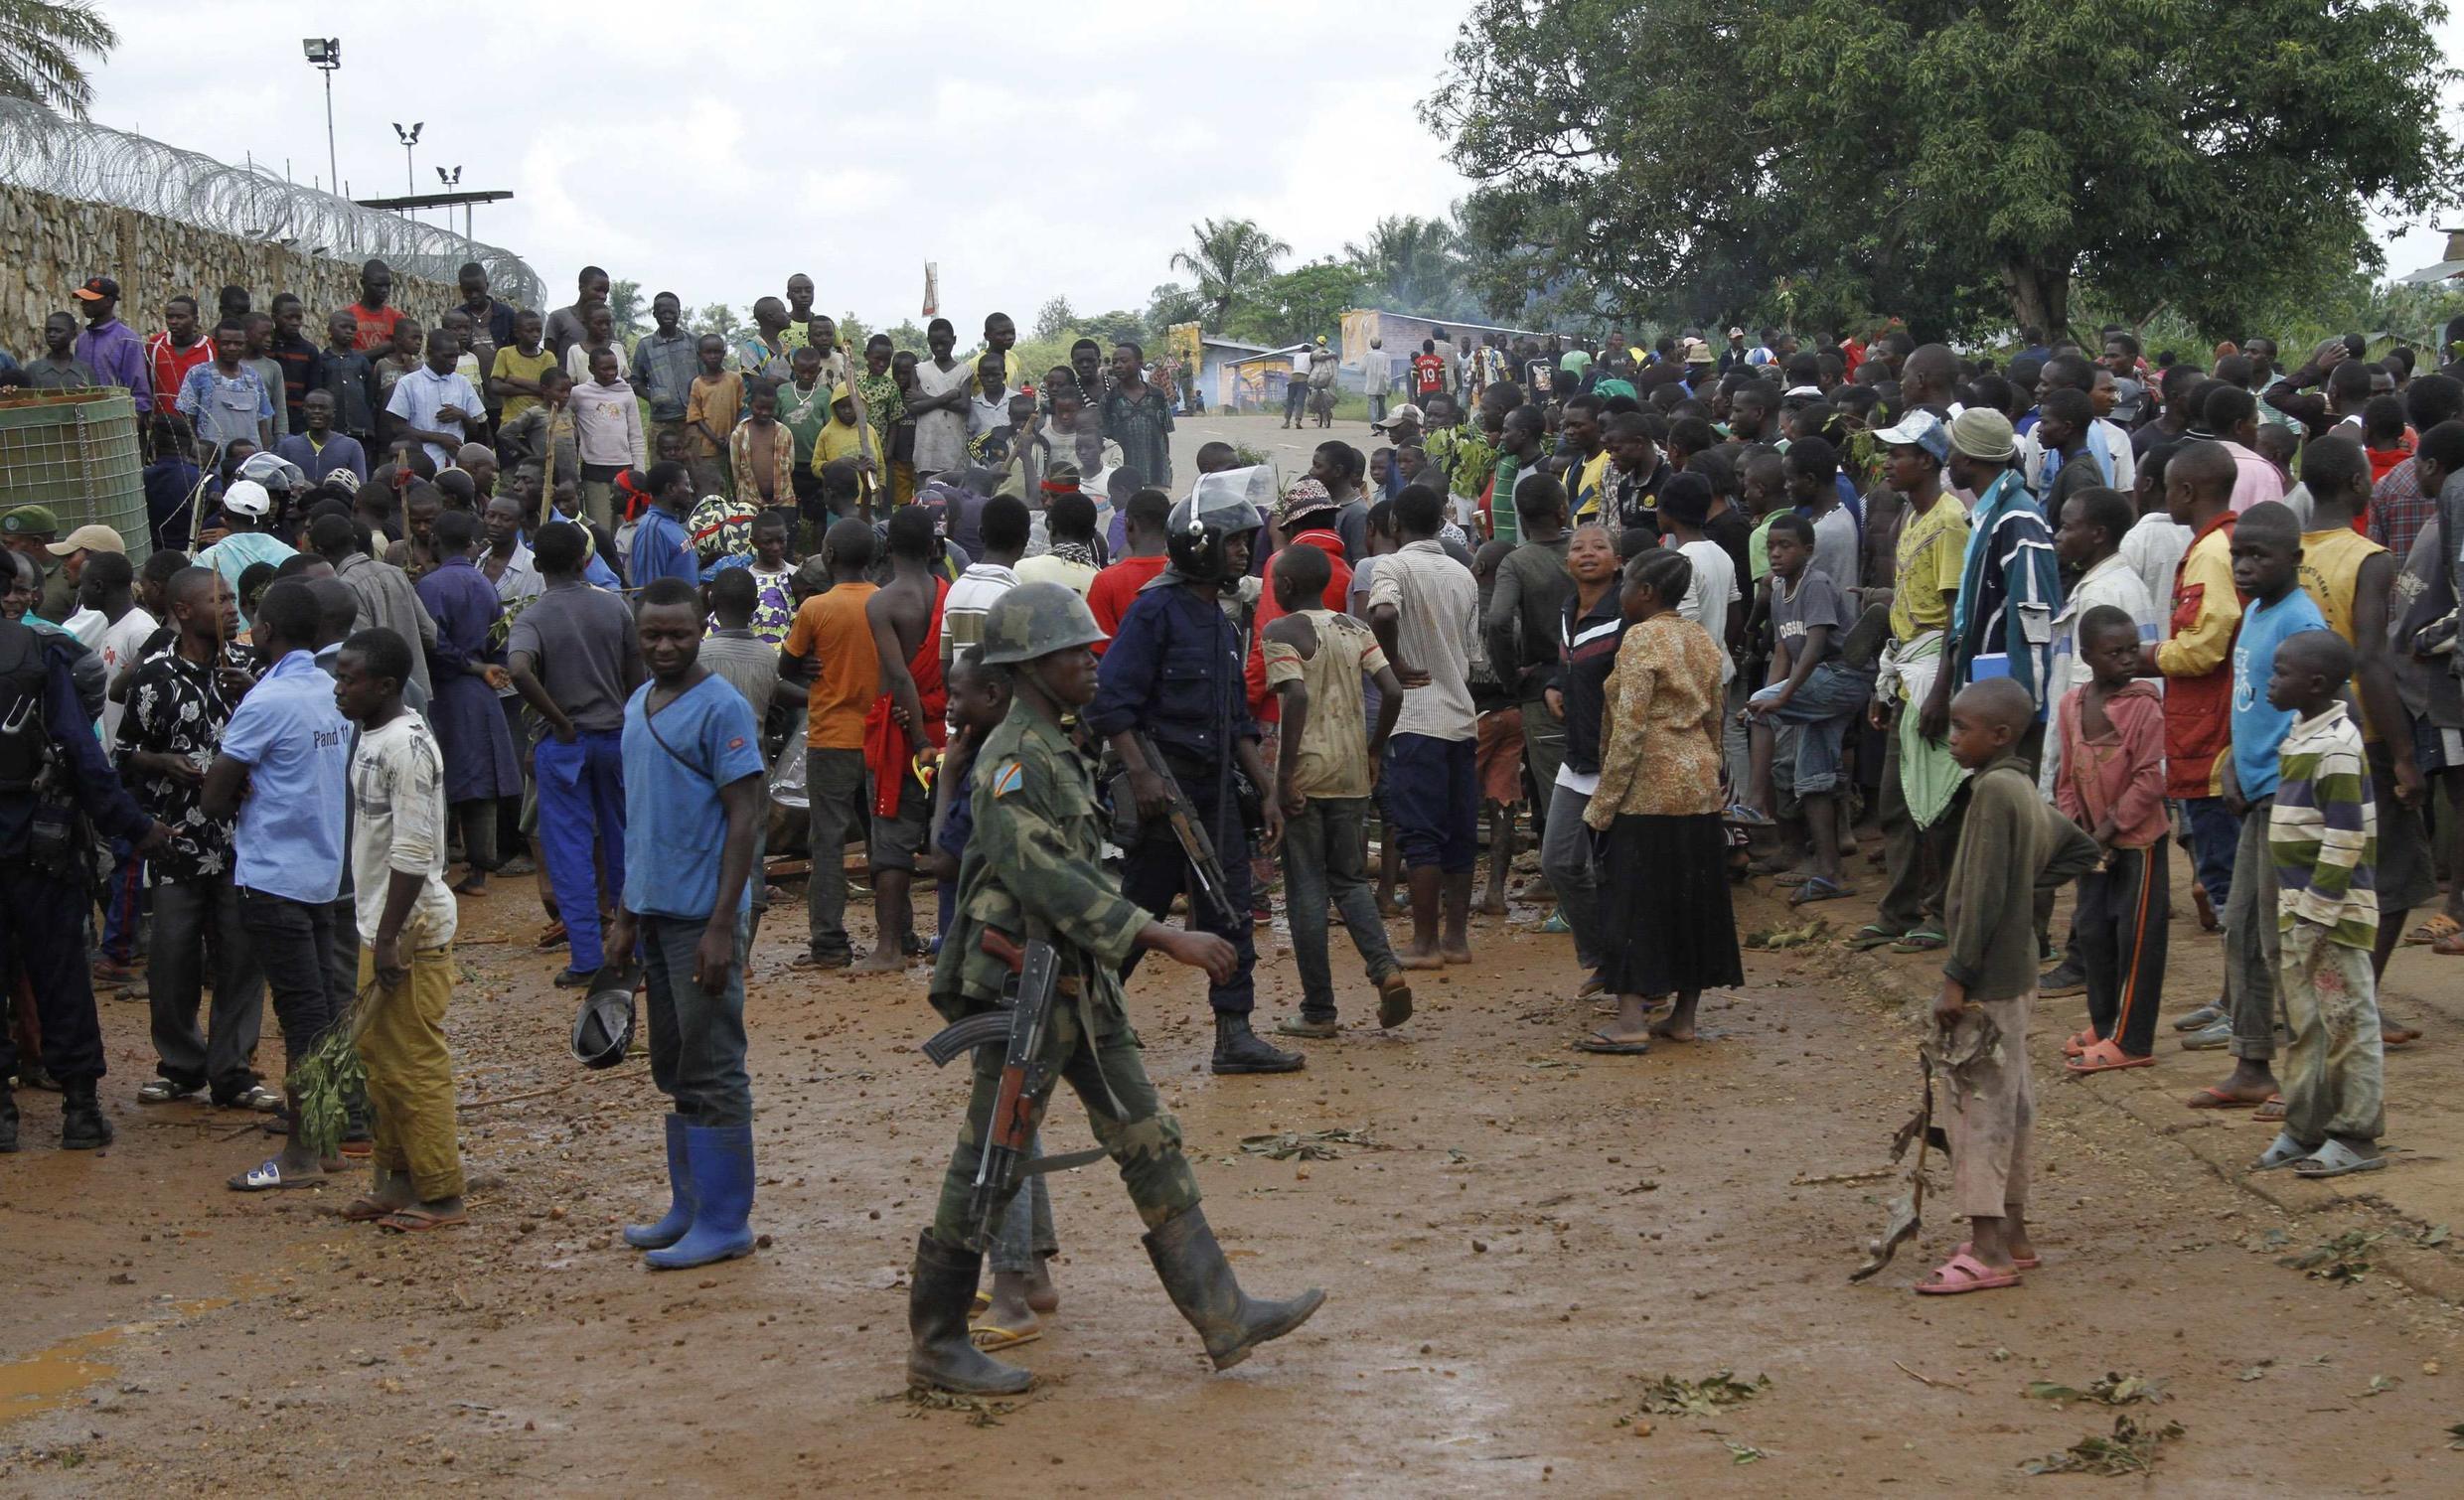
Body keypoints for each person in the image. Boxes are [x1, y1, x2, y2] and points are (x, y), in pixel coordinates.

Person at [903, 580, 1322, 1396]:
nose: (1092, 663)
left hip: (1075, 984)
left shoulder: (1058, 744)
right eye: (1073, 653)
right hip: (1021, 991)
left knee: (1147, 1135)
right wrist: (1164, 935)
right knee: (989, 1159)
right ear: (1029, 665)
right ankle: (937, 1340)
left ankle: (1223, 1311)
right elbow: (1045, 876)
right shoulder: (1015, 757)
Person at [1091, 474, 1299, 1074]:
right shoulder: (1155, 609)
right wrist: (1143, 777)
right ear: (1199, 544)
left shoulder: (1219, 619)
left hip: (1217, 798)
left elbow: (1237, 723)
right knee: (1137, 914)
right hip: (1165, 796)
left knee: (1231, 912)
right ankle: (1085, 1021)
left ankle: (1234, 1035)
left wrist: (1267, 793)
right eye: (1234, 542)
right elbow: (1113, 703)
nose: (1243, 552)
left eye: (1245, 542)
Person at [1913, 677, 2100, 1293]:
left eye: (1962, 728)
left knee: (1980, 1109)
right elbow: (2080, 849)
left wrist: (1955, 978)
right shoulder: (2018, 786)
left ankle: (1988, 1249)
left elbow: (1986, 894)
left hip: (1988, 979)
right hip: (2016, 972)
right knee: (2013, 1101)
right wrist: (2027, 889)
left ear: (2001, 735)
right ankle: (2014, 1235)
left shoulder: (1994, 792)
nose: (1951, 737)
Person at [604, 577, 768, 1269]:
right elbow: (640, 819)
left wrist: (723, 925)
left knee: (713, 1063)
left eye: (678, 633)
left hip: (704, 915)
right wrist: (624, 915)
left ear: (702, 625)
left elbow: (747, 814)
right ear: (636, 636)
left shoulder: (722, 708)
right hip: (655, 911)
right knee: (674, 1063)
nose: (665, 646)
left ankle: (725, 1221)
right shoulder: (639, 702)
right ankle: (690, 1206)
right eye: (652, 635)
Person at [0, 604, 169, 1150]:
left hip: (32, 845)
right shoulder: (38, 652)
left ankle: (3, 1120)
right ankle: (80, 1111)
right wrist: (134, 826)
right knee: (62, 974)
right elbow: (81, 751)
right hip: (41, 847)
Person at [202, 580, 353, 1187]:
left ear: (267, 633)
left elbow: (214, 798)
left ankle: (299, 1155)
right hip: (323, 871)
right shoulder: (333, 690)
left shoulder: (267, 701)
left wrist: (232, 781)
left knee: (301, 1018)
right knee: (323, 1011)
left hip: (273, 878)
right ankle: (331, 1140)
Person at [326, 626, 467, 1231]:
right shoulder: (369, 735)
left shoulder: (407, 747)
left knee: (412, 1061)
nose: (338, 689)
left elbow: (413, 849)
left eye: (347, 679)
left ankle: (441, 1194)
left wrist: (387, 938)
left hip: (409, 930)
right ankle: (395, 1179)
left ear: (384, 685)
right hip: (378, 921)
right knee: (376, 1058)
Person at [118, 566, 272, 1111]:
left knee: (240, 956)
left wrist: (253, 693)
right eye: (219, 600)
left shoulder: (256, 667)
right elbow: (123, 753)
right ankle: (180, 1066)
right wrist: (161, 761)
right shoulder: (154, 675)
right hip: (176, 840)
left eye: (233, 599)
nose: (232, 609)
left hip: (247, 839)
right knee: (173, 959)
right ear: (183, 611)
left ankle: (233, 1070)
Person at [2190, 502, 2327, 1110]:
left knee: (2284, 938)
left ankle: (2307, 1069)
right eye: (2237, 555)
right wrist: (2235, 767)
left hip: (2288, 799)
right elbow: (2248, 701)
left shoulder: (2301, 621)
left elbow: (2322, 706)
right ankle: (2252, 1060)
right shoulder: (2255, 614)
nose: (2242, 567)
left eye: (2257, 557)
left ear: (2294, 560)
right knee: (2243, 925)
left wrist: (2283, 780)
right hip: (2253, 793)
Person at [1579, 546, 1742, 1053]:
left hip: (1647, 787)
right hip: (1697, 784)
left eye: (1625, 585)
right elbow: (1716, 713)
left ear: (1645, 593)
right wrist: (1711, 773)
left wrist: (1602, 803)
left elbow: (1629, 728)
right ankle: (1684, 1018)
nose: (1619, 592)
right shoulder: (1701, 640)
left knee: (1634, 901)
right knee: (1693, 900)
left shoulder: (1641, 640)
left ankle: (1630, 1021)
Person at [1260, 543, 1411, 1037]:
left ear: (1282, 586)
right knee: (1348, 880)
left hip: (1306, 771)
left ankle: (1319, 1010)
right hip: (1351, 769)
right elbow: (1391, 690)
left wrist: (1283, 778)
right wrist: (1374, 749)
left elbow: (1296, 694)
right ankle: (1385, 969)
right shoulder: (1356, 628)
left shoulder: (1280, 632)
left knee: (1305, 886)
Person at [2252, 630, 2387, 1178]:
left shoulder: (2335, 746)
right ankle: (2304, 1129)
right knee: (2307, 1025)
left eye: (2280, 672)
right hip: (2300, 911)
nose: (2270, 680)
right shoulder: (2302, 732)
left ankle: (2357, 1136)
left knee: (2347, 1023)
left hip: (2332, 918)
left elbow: (2345, 837)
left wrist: (2318, 910)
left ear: (2315, 683)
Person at [1852, 410, 1968, 954]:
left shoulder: (1948, 521)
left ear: (1926, 460)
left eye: (1897, 454)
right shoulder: (1910, 518)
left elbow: (1952, 618)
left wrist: (1941, 690)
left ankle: (1938, 911)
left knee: (1934, 801)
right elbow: (1904, 607)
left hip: (1931, 676)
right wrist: (1885, 684)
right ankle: (1898, 908)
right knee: (1897, 802)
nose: (1887, 464)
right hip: (1906, 672)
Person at [507, 523, 642, 985]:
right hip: (615, 737)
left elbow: (518, 669)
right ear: (585, 560)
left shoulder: (533, 617)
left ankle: (587, 959)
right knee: (622, 845)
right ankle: (634, 952)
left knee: (571, 852)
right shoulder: (615, 607)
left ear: (538, 565)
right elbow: (635, 675)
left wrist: (559, 720)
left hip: (564, 747)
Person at [2047, 606, 2171, 1074]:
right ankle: (2103, 1024)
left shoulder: (2144, 705)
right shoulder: (2072, 705)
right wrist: (2076, 829)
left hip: (2137, 842)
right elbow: (2066, 776)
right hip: (2093, 847)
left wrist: (2105, 830)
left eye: (2130, 650)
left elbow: (2150, 780)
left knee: (2137, 938)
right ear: (2087, 656)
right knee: (2094, 932)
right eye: (2113, 652)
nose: (2126, 660)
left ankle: (2134, 1039)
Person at [1367, 484, 1482, 970]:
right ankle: (1455, 939)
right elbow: (1474, 657)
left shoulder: (1390, 566)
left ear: (1394, 524)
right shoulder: (1463, 574)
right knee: (1459, 832)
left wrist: (1390, 661)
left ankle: (1423, 943)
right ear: (1441, 522)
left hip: (1415, 719)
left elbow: (1384, 611)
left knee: (1420, 834)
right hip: (1461, 717)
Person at [2144, 442, 2245, 976]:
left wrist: (2149, 655)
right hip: (2204, 730)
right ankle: (2235, 996)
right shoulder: (2220, 544)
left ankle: (2244, 1003)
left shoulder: (2211, 552)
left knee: (2225, 877)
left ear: (2185, 491)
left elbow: (2205, 645)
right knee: (2224, 873)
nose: (2163, 497)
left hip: (2209, 738)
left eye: (2167, 488)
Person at [1739, 512, 1873, 901]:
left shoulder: (1815, 584)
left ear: (1808, 550)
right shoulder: (1779, 590)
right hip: (1818, 682)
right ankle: (1831, 874)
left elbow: (1813, 648)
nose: (1776, 554)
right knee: (1813, 777)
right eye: (1771, 547)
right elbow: (1783, 650)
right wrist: (1768, 695)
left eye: (1786, 546)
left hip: (1844, 676)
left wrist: (1778, 698)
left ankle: (1755, 802)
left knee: (1764, 707)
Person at [779, 519, 880, 969]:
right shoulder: (885, 603)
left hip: (831, 738)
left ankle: (829, 943)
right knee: (885, 838)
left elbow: (787, 666)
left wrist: (811, 668)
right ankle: (898, 933)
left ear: (831, 557)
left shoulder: (815, 609)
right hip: (879, 739)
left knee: (828, 842)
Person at [854, 509, 949, 973]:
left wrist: (915, 740)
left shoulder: (883, 603)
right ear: (934, 547)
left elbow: (898, 675)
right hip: (947, 730)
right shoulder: (949, 595)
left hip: (903, 735)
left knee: (891, 838)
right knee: (951, 832)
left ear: (887, 548)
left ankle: (890, 948)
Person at [414, 510, 522, 895]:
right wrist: (489, 667)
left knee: (441, 780)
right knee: (481, 780)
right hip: (481, 688)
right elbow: (499, 639)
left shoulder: (431, 586)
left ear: (436, 543)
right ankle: (478, 869)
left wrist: (471, 666)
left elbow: (433, 642)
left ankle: (440, 869)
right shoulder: (483, 583)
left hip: (448, 689)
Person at [1487, 472, 1574, 857]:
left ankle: (1560, 877)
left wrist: (1510, 677)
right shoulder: (1591, 551)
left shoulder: (1517, 562)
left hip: (1540, 684)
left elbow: (1498, 620)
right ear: (1563, 510)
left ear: (1520, 517)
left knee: (1551, 785)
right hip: (1592, 680)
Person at [572, 347, 646, 532]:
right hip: (594, 471)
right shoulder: (579, 394)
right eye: (605, 369)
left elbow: (635, 435)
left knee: (627, 526)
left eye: (614, 368)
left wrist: (639, 471)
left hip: (624, 469)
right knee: (601, 528)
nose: (611, 373)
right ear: (591, 369)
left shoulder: (626, 393)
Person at [176, 318, 275, 456]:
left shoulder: (253, 377)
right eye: (226, 343)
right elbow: (188, 420)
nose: (232, 348)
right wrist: (194, 456)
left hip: (248, 460)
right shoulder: (198, 374)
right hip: (210, 459)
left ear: (245, 344)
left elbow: (262, 424)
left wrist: (265, 456)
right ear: (215, 343)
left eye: (238, 344)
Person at [70, 275, 150, 410]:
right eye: (83, 299)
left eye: (90, 300)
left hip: (117, 415)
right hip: (86, 415)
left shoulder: (127, 340)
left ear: (108, 301)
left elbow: (139, 389)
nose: (83, 303)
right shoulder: (82, 339)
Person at [630, 293, 697, 449]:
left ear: (679, 312)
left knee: (695, 466)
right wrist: (653, 397)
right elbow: (635, 381)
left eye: (672, 312)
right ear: (654, 314)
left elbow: (706, 375)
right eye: (663, 312)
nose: (668, 316)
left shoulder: (693, 341)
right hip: (662, 420)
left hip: (693, 420)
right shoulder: (645, 345)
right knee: (662, 468)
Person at [1103, 342, 1173, 489]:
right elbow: (1105, 441)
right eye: (1115, 362)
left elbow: (1164, 434)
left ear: (1139, 363)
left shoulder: (1157, 396)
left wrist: (1167, 466)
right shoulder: (1108, 399)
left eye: (1124, 361)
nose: (1117, 365)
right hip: (1123, 480)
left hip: (1157, 475)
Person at [276, 389, 369, 486]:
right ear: (304, 411)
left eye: (323, 408)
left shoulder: (352, 447)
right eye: (311, 407)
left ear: (333, 413)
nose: (317, 411)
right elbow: (281, 484)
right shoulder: (288, 446)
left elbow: (360, 487)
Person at [145, 295, 213, 416]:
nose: (174, 322)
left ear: (195, 320)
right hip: (163, 425)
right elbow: (146, 386)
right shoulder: (155, 345)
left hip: (198, 426)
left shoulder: (211, 348)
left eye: (181, 317)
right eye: (169, 317)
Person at [24, 311, 96, 389]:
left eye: (58, 331)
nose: (51, 335)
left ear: (73, 335)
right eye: (48, 331)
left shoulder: (85, 371)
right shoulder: (33, 370)